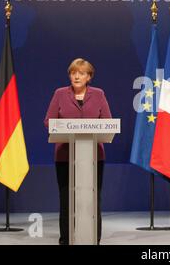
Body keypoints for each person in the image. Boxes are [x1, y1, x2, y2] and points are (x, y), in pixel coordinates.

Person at [44, 58, 112, 245]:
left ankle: (93, 239)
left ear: (89, 77)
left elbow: (108, 121)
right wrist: (67, 127)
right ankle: (66, 240)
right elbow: (48, 121)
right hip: (65, 156)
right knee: (66, 199)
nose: (76, 76)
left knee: (93, 199)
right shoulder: (59, 94)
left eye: (81, 73)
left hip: (93, 157)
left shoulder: (98, 94)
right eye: (73, 73)